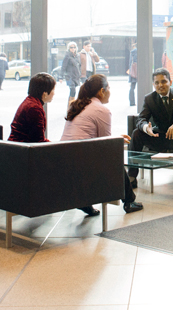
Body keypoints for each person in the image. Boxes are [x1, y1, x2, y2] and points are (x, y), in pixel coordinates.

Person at [61, 74, 143, 214]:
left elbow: (94, 137)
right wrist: (114, 141)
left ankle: (85, 203)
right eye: (109, 88)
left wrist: (116, 138)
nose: (110, 92)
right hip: (81, 162)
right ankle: (129, 202)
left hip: (64, 158)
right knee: (115, 161)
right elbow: (105, 146)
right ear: (101, 91)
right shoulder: (101, 110)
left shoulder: (77, 105)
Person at [128, 68, 173, 189]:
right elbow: (141, 119)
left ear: (170, 82)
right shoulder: (149, 98)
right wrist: (146, 128)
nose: (160, 85)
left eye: (164, 81)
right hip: (161, 136)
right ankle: (132, 177)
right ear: (153, 84)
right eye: (157, 82)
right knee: (136, 134)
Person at [8, 73, 56, 143]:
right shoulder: (34, 108)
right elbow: (38, 141)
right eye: (53, 90)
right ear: (44, 94)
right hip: (22, 150)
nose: (54, 93)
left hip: (18, 147)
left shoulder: (30, 102)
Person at [127, 41, 137, 106]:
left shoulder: (132, 52)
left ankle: (132, 102)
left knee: (132, 87)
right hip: (140, 71)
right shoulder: (142, 51)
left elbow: (130, 62)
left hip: (133, 71)